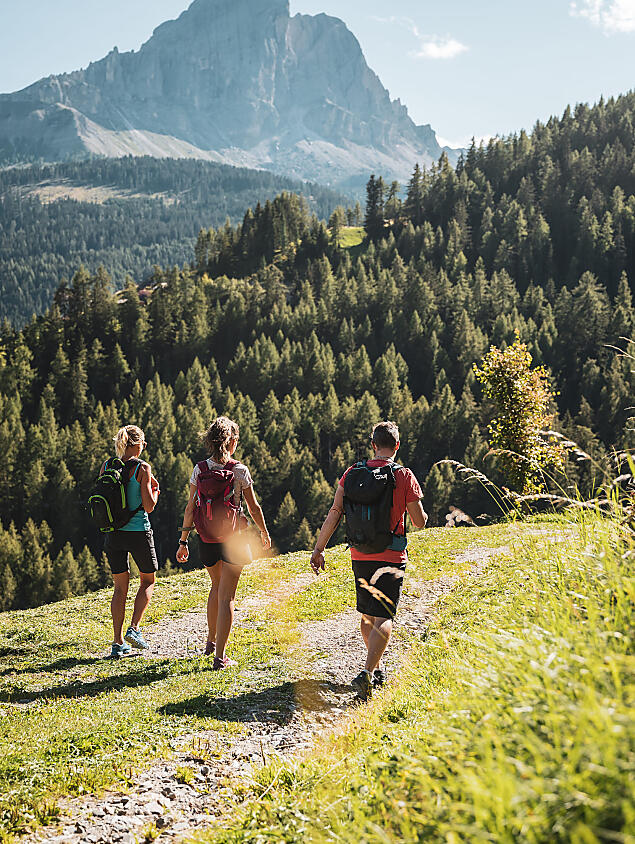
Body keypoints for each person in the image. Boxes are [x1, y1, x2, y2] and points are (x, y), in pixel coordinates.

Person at [310, 421, 427, 701]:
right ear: (397, 446)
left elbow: (335, 511)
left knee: (367, 614)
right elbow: (419, 522)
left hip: (360, 554)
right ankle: (367, 672)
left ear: (373, 445)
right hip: (391, 554)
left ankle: (376, 668)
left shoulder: (352, 473)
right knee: (384, 616)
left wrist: (319, 548)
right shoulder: (403, 475)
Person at [176, 416, 271, 670]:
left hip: (206, 538)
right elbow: (254, 507)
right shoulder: (240, 470)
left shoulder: (199, 469)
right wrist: (263, 532)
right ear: (232, 441)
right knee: (227, 596)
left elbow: (189, 509)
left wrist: (183, 541)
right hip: (233, 539)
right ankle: (220, 657)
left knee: (216, 587)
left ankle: (210, 642)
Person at [103, 425, 160, 658]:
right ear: (138, 445)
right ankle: (134, 629)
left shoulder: (107, 466)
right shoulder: (142, 468)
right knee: (148, 580)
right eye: (143, 443)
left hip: (113, 533)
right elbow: (149, 506)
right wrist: (155, 491)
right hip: (138, 532)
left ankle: (117, 642)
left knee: (119, 588)